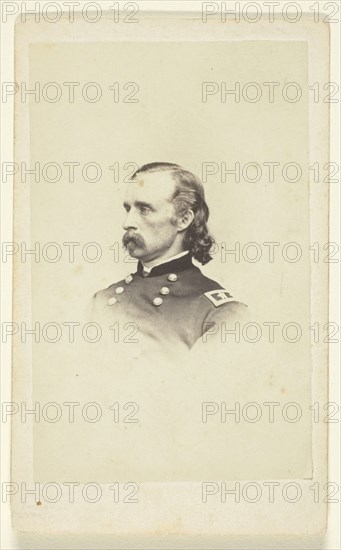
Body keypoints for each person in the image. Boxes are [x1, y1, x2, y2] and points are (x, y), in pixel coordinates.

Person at [91, 162, 248, 351]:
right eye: (128, 209)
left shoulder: (220, 313)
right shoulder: (101, 301)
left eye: (144, 209)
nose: (127, 223)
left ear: (183, 220)